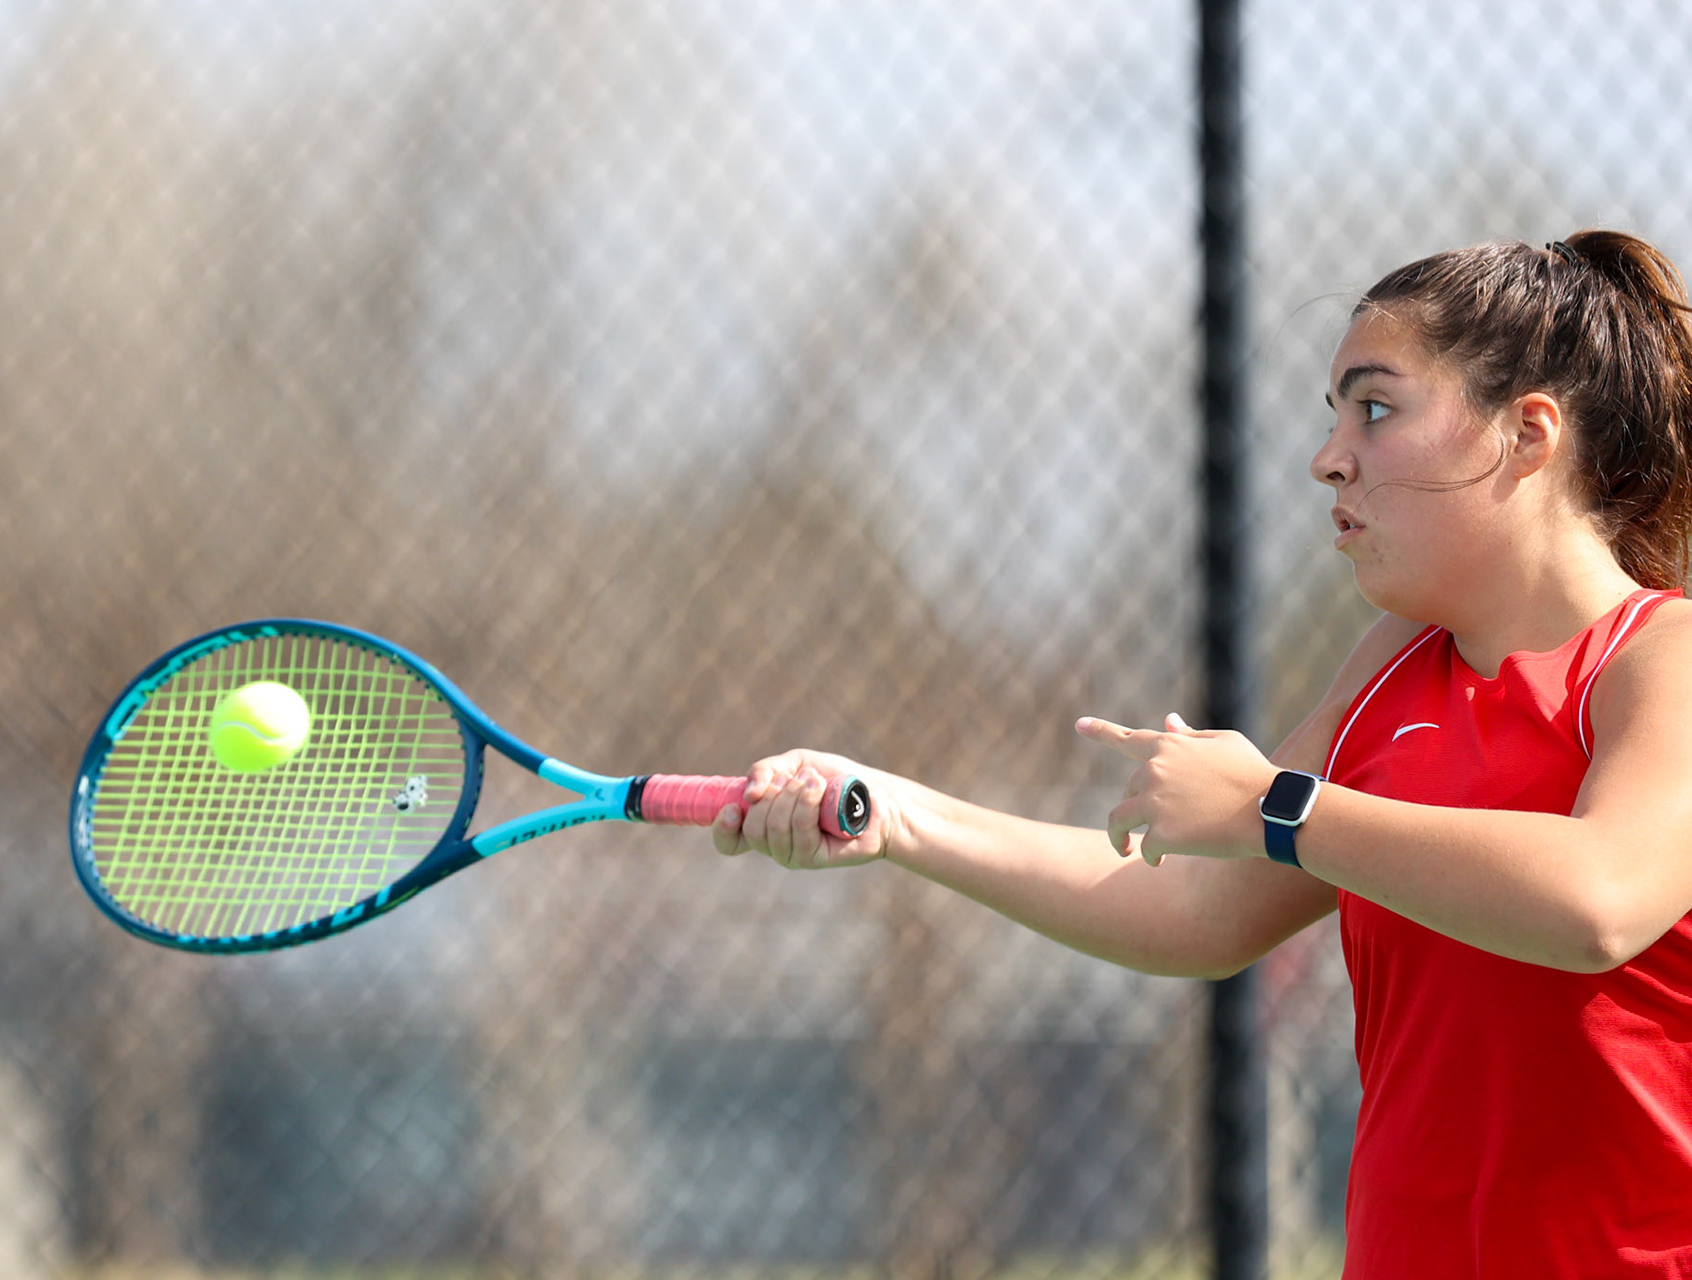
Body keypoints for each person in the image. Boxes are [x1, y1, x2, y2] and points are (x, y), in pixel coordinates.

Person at [712, 230, 1692, 1277]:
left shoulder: (1662, 657)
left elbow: (1602, 901)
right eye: (1334, 419)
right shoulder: (1387, 676)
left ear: (1526, 434)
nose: (1329, 457)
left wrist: (1281, 808)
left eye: (1376, 407)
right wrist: (896, 815)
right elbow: (1193, 911)